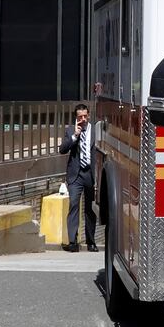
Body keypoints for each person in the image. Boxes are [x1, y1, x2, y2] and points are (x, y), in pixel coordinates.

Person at [60, 103, 98, 253]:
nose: (82, 119)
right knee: (74, 205)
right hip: (75, 175)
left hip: (90, 174)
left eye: (85, 116)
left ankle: (91, 241)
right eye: (79, 117)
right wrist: (74, 136)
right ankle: (72, 241)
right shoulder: (70, 130)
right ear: (76, 117)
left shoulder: (95, 130)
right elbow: (62, 150)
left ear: (88, 115)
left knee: (90, 209)